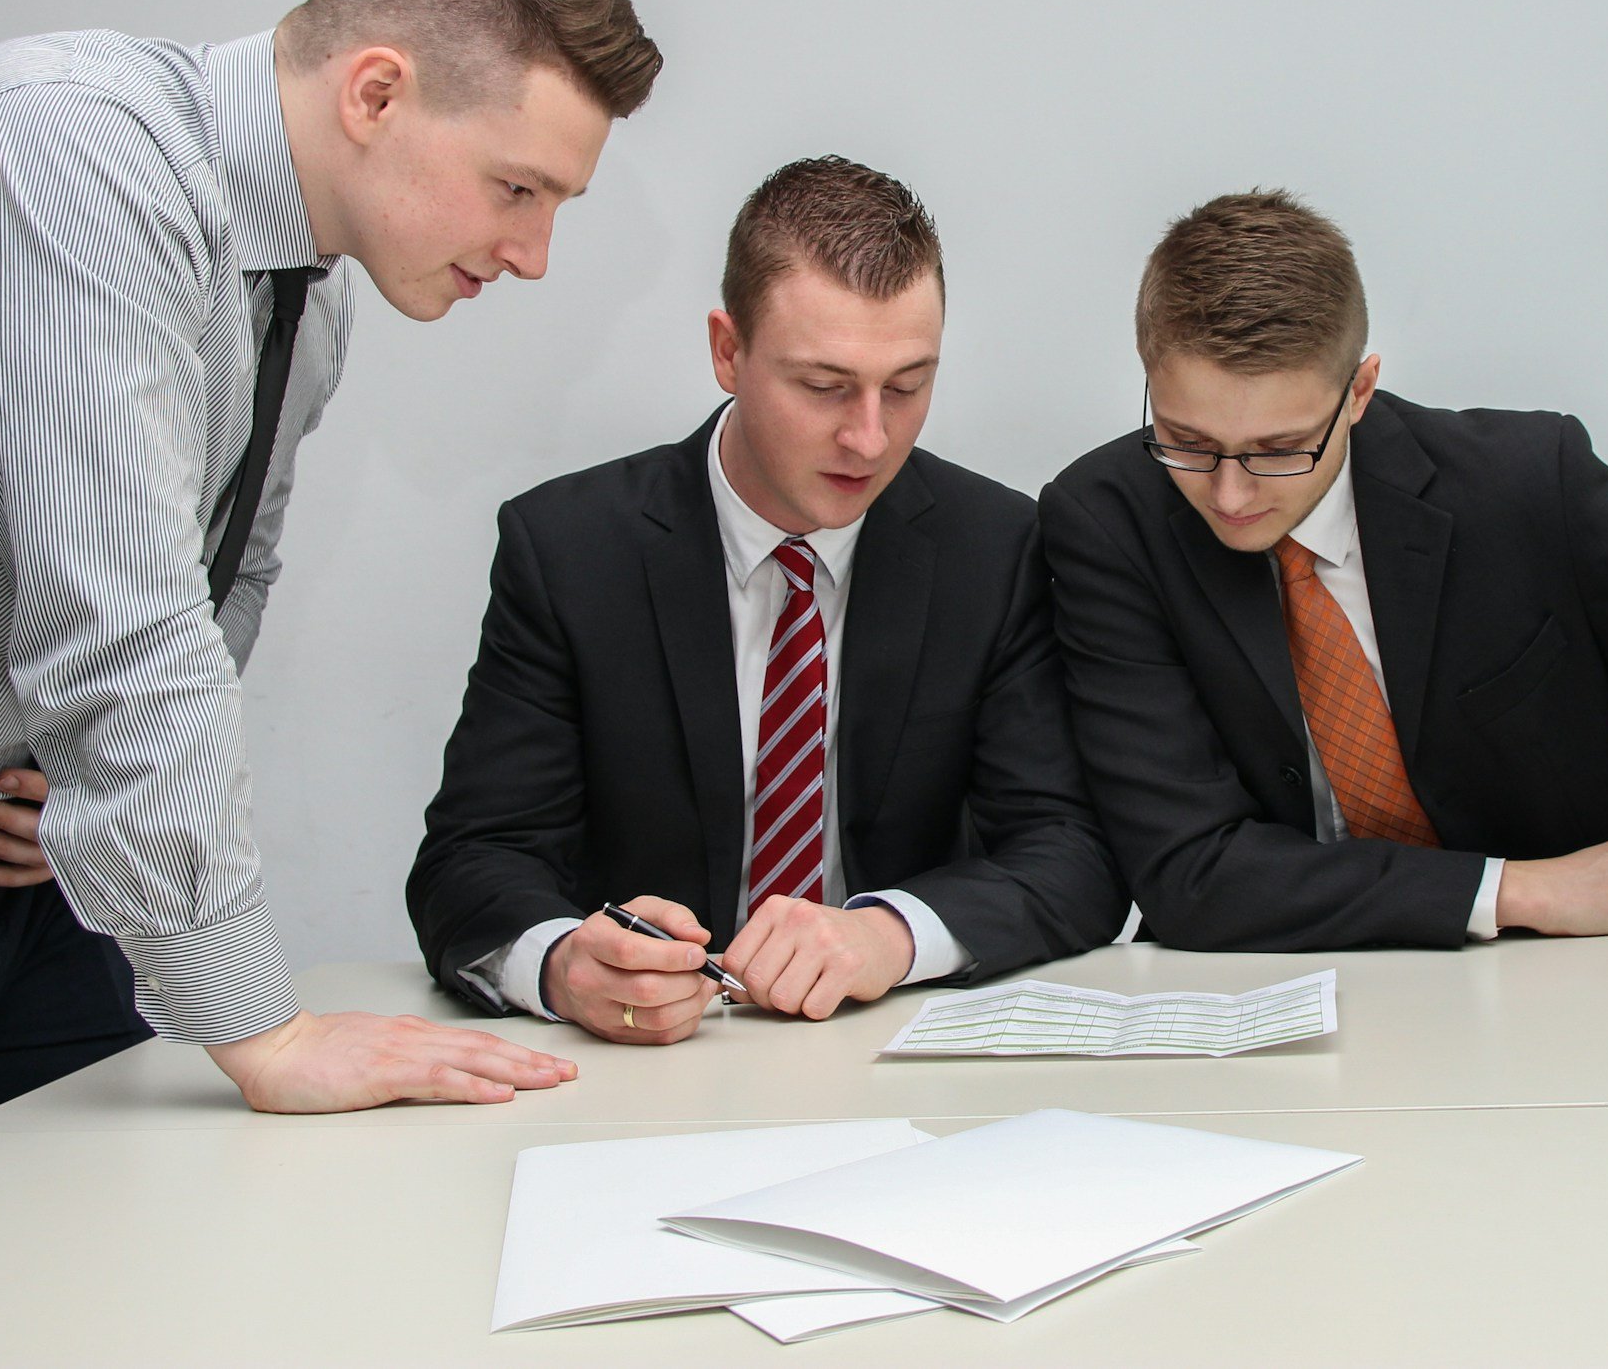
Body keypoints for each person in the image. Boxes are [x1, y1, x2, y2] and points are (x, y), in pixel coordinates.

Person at [0, 0, 662, 1175]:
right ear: (375, 93)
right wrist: (263, 1027)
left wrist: (82, 799)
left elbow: (225, 575)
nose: (534, 253)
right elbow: (126, 622)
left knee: (107, 1271)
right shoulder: (67, 153)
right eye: (516, 187)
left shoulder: (305, 289)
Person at [406, 157, 1126, 1041]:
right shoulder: (568, 550)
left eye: (907, 386)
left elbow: (1073, 856)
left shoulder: (994, 548)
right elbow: (471, 860)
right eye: (823, 386)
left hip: (886, 1052)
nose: (869, 436)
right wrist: (564, 965)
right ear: (727, 351)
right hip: (643, 1070)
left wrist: (887, 934)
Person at [1038, 190, 1608, 952]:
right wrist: (1513, 888)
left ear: (1359, 391)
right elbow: (1189, 873)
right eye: (1186, 439)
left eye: (1279, 449)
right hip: (1271, 982)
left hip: (1571, 975)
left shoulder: (1530, 485)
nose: (1230, 495)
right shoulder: (1106, 521)